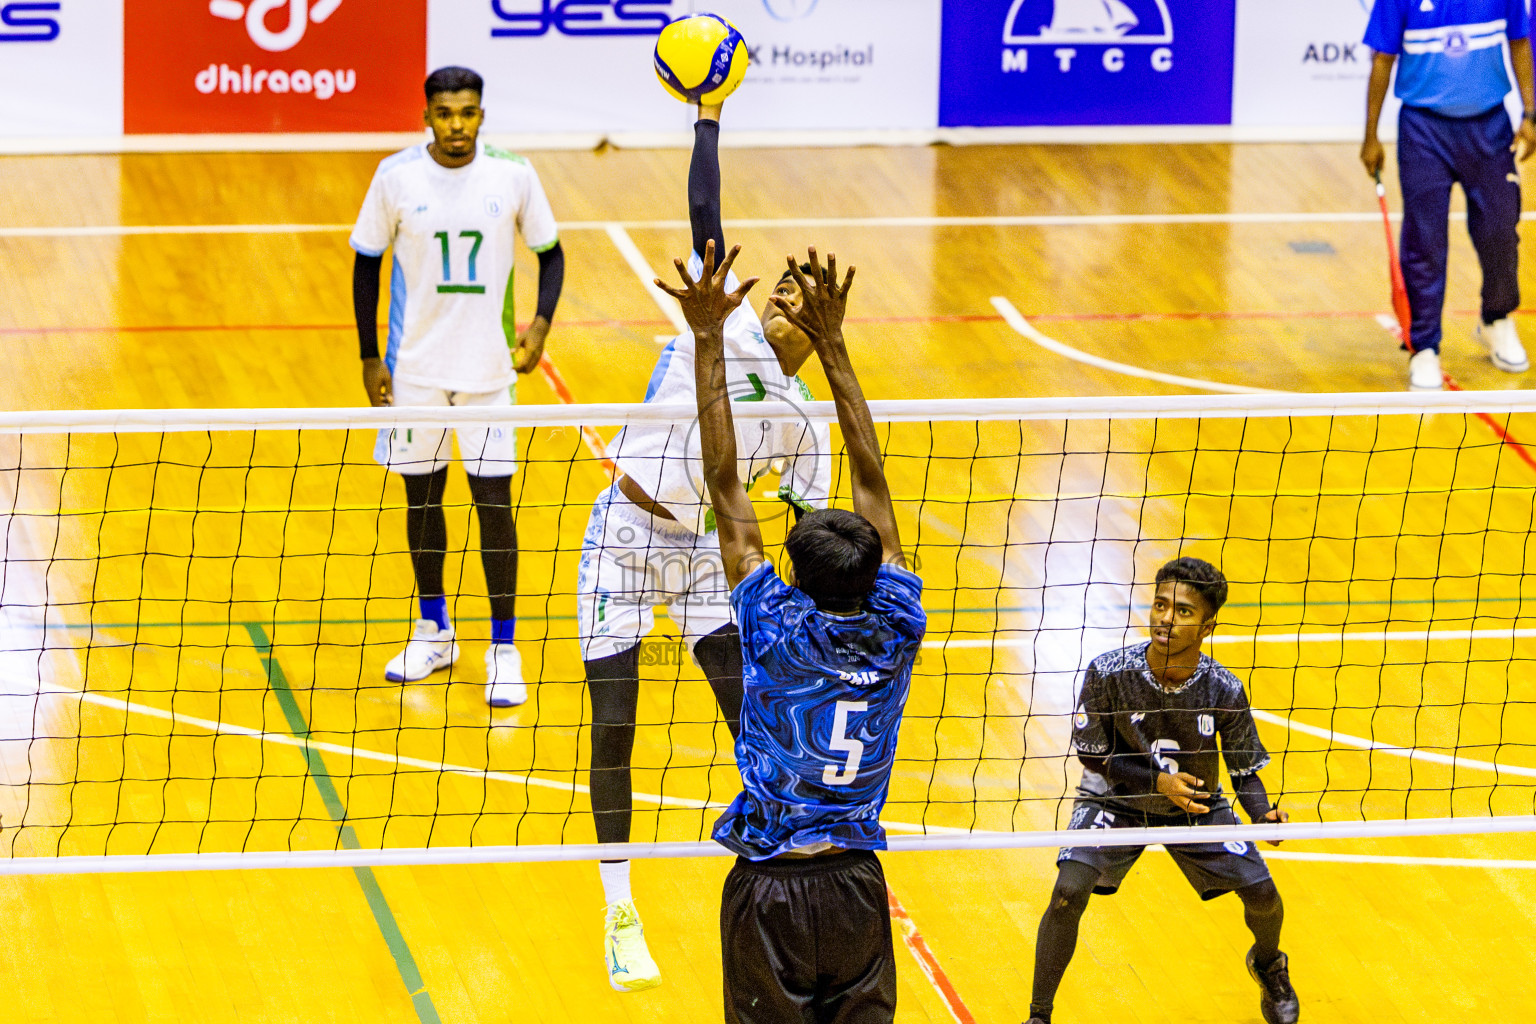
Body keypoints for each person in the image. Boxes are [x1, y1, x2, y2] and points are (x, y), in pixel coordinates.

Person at [577, 99, 830, 992]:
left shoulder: (807, 425)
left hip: (704, 564)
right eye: (781, 285)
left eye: (799, 291)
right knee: (616, 725)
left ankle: (778, 877)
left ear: (826, 320)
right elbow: (705, 214)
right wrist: (708, 121)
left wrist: (809, 639)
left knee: (752, 720)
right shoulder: (727, 326)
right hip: (623, 536)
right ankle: (617, 906)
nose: (781, 293)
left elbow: (819, 540)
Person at [656, 240, 924, 1024]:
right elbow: (872, 480)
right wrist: (835, 343)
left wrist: (708, 341)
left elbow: (724, 481)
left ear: (793, 577)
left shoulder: (772, 624)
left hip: (772, 885)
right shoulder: (897, 621)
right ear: (876, 572)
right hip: (857, 889)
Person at [350, 66, 565, 708]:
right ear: (426, 115)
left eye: (468, 113)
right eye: (445, 113)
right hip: (415, 372)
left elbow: (550, 253)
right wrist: (369, 357)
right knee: (422, 502)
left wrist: (542, 327)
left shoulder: (512, 174)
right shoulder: (395, 177)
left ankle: (503, 648)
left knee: (494, 507)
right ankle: (433, 629)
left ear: (481, 114)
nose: (457, 126)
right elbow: (365, 263)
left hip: (489, 374)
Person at [1024, 557, 1298, 1024]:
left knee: (1264, 896)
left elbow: (1245, 769)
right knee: (1068, 890)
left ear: (1207, 626)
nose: (1166, 618)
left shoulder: (1224, 689)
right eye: (1160, 604)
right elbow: (1093, 756)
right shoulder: (1109, 673)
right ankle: (1038, 1016)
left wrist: (1262, 813)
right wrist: (1157, 782)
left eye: (1184, 611)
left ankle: (1269, 964)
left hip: (1195, 809)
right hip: (1116, 798)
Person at [1361, 0, 1536, 390]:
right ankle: (1424, 346)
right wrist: (1370, 135)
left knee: (1500, 232)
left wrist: (1530, 113)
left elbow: (1520, 42)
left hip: (1490, 126)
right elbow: (1382, 62)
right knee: (1424, 240)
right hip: (1424, 131)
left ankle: (1496, 319)